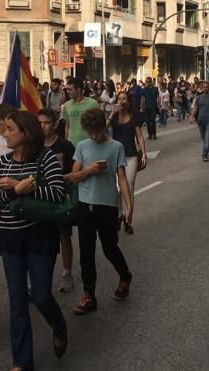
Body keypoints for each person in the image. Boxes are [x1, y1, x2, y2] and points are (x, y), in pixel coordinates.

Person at [0, 111, 68, 371]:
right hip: (11, 239)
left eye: (10, 129)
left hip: (39, 238)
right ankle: (22, 361)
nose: (5, 133)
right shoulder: (2, 162)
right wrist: (14, 190)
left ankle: (59, 326)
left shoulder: (45, 159)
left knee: (42, 296)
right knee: (17, 301)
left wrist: (27, 186)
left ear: (25, 133)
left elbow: (57, 194)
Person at [66, 108, 133, 316]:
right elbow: (74, 176)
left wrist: (129, 206)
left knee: (110, 248)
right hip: (85, 206)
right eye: (90, 132)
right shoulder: (83, 147)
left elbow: (121, 178)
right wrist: (89, 170)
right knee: (86, 253)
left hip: (107, 206)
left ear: (104, 127)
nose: (94, 136)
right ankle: (89, 295)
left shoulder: (116, 147)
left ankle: (125, 276)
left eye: (97, 131)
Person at [38, 108, 77, 292]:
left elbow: (74, 172)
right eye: (39, 123)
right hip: (40, 200)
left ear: (54, 124)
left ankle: (67, 273)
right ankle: (37, 277)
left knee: (64, 236)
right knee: (40, 238)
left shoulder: (65, 146)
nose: (43, 127)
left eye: (46, 123)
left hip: (60, 200)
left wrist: (64, 179)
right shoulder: (34, 146)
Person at [108, 91, 146, 234]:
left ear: (129, 102)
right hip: (115, 157)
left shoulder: (133, 117)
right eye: (119, 98)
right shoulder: (114, 116)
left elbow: (139, 136)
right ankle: (119, 215)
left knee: (128, 188)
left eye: (124, 99)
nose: (122, 101)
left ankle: (128, 219)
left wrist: (144, 153)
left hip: (130, 156)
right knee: (116, 190)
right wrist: (112, 113)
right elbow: (102, 129)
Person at [60, 77, 99, 148]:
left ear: (78, 90)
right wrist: (67, 143)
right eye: (67, 89)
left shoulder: (93, 104)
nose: (67, 92)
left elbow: (98, 125)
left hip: (89, 144)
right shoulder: (67, 105)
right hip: (72, 145)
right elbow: (67, 126)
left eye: (70, 89)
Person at [191, 81, 209, 162]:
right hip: (200, 121)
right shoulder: (198, 98)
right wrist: (192, 116)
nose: (205, 88)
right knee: (204, 139)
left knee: (207, 138)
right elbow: (195, 108)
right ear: (201, 88)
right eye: (203, 87)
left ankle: (204, 155)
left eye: (206, 87)